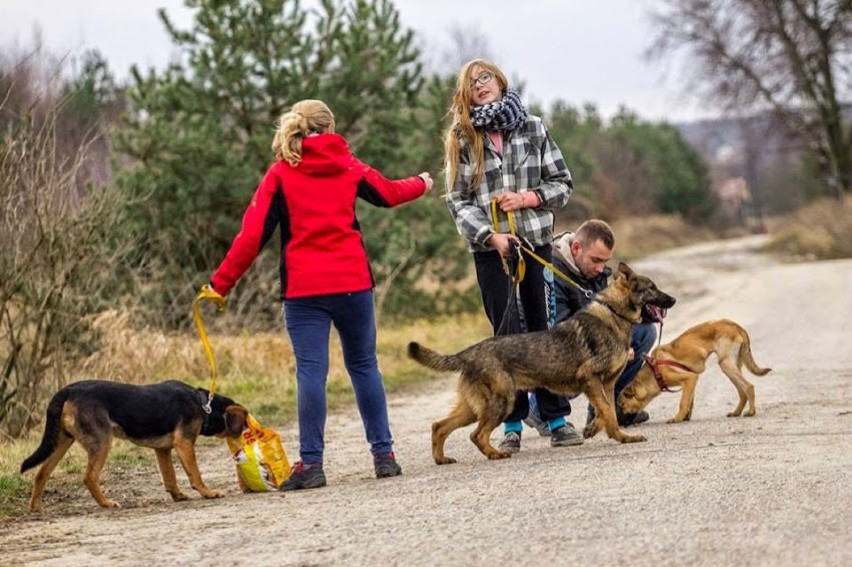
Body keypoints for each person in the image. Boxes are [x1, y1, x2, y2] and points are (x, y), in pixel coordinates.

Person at [208, 99, 433, 491]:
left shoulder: (280, 173)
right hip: (353, 283)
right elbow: (390, 194)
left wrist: (220, 284)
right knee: (364, 365)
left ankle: (311, 464)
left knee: (311, 372)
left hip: (305, 289)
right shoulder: (349, 165)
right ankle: (384, 456)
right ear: (329, 128)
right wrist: (424, 182)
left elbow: (250, 237)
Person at [443, 59, 573, 453]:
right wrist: (490, 235)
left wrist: (527, 198)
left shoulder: (533, 127)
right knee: (505, 337)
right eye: (472, 83)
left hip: (535, 243)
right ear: (465, 94)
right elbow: (457, 200)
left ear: (500, 82)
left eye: (485, 78)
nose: (480, 86)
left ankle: (556, 418)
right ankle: (511, 422)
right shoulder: (464, 138)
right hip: (491, 251)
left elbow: (562, 185)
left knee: (544, 332)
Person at [525, 220, 657, 439]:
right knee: (588, 361)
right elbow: (558, 331)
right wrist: (612, 348)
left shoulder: (596, 273)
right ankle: (538, 408)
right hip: (549, 349)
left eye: (604, 262)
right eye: (595, 260)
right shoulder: (550, 272)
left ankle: (601, 412)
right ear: (576, 248)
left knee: (645, 333)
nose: (600, 268)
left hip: (591, 339)